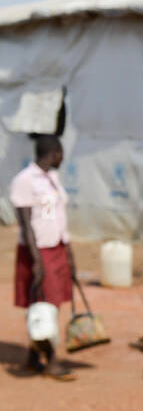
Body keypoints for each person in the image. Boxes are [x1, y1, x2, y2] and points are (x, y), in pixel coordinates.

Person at [10, 135, 76, 380]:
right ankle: (53, 361)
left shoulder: (52, 180)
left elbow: (54, 219)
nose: (63, 157)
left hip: (56, 247)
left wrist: (68, 254)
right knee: (45, 303)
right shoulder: (25, 181)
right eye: (61, 153)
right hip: (37, 251)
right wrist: (37, 259)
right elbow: (26, 224)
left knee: (49, 302)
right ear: (55, 152)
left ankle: (32, 356)